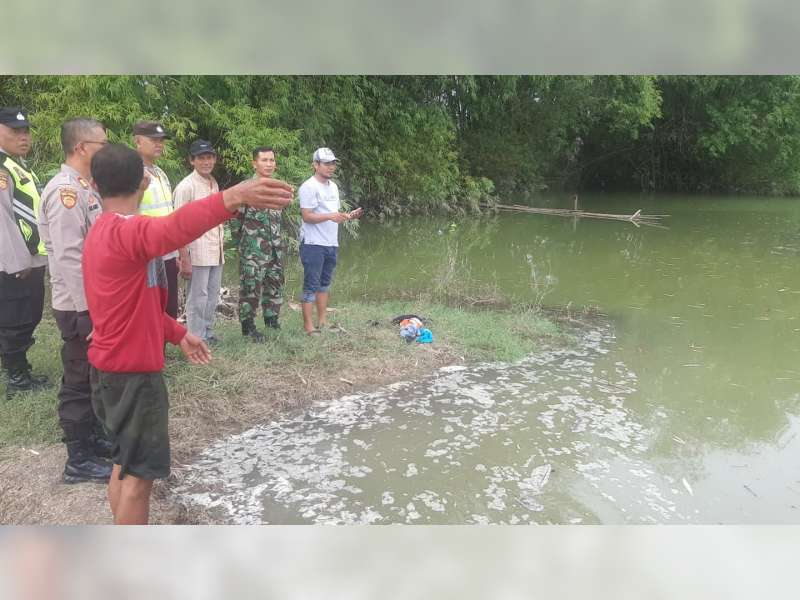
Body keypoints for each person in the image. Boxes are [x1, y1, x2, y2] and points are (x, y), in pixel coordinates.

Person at [83, 143, 293, 524]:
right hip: (133, 378)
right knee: (138, 481)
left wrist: (177, 332)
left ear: (94, 184)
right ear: (144, 181)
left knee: (123, 464)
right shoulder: (126, 232)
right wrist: (233, 197)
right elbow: (173, 229)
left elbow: (133, 306)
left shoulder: (103, 231)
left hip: (111, 371)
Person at [38, 117, 112, 484]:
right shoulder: (65, 192)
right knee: (79, 377)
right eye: (102, 144)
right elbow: (69, 256)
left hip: (92, 301)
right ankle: (78, 459)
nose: (107, 150)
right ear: (82, 147)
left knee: (93, 373)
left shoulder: (86, 188)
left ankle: (93, 438)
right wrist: (89, 308)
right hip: (77, 305)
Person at [0, 107, 49, 397]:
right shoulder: (2, 169)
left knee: (27, 314)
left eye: (26, 131)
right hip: (16, 262)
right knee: (16, 318)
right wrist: (17, 261)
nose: (23, 137)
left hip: (30, 255)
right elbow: (2, 219)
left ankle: (17, 368)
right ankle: (17, 379)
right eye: (15, 131)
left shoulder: (17, 165)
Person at [297, 147, 362, 334]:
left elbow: (333, 215)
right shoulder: (308, 187)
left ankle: (322, 321)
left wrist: (347, 216)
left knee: (324, 284)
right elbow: (307, 216)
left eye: (333, 163)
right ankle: (308, 326)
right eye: (326, 163)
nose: (330, 167)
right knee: (311, 285)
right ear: (315, 165)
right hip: (313, 244)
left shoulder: (333, 187)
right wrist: (330, 216)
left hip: (331, 243)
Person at [231, 146, 287, 341]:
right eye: (264, 160)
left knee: (275, 284)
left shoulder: (278, 188)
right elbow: (235, 220)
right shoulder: (245, 188)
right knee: (250, 288)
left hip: (275, 248)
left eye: (272, 160)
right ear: (254, 163)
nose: (269, 164)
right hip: (252, 249)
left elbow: (278, 220)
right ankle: (248, 327)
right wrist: (243, 246)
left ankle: (272, 321)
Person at [173, 140, 224, 344]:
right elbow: (177, 225)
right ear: (191, 160)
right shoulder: (186, 186)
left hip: (215, 249)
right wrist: (183, 257)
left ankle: (207, 332)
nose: (206, 162)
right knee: (197, 296)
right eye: (201, 158)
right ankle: (196, 337)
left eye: (209, 157)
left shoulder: (213, 182)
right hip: (197, 251)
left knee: (212, 294)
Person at [133, 120, 179, 319]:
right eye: (153, 140)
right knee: (150, 311)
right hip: (147, 254)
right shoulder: (131, 172)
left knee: (169, 308)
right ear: (138, 141)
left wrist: (177, 252)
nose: (159, 144)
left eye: (161, 140)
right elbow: (126, 210)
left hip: (167, 252)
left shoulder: (160, 173)